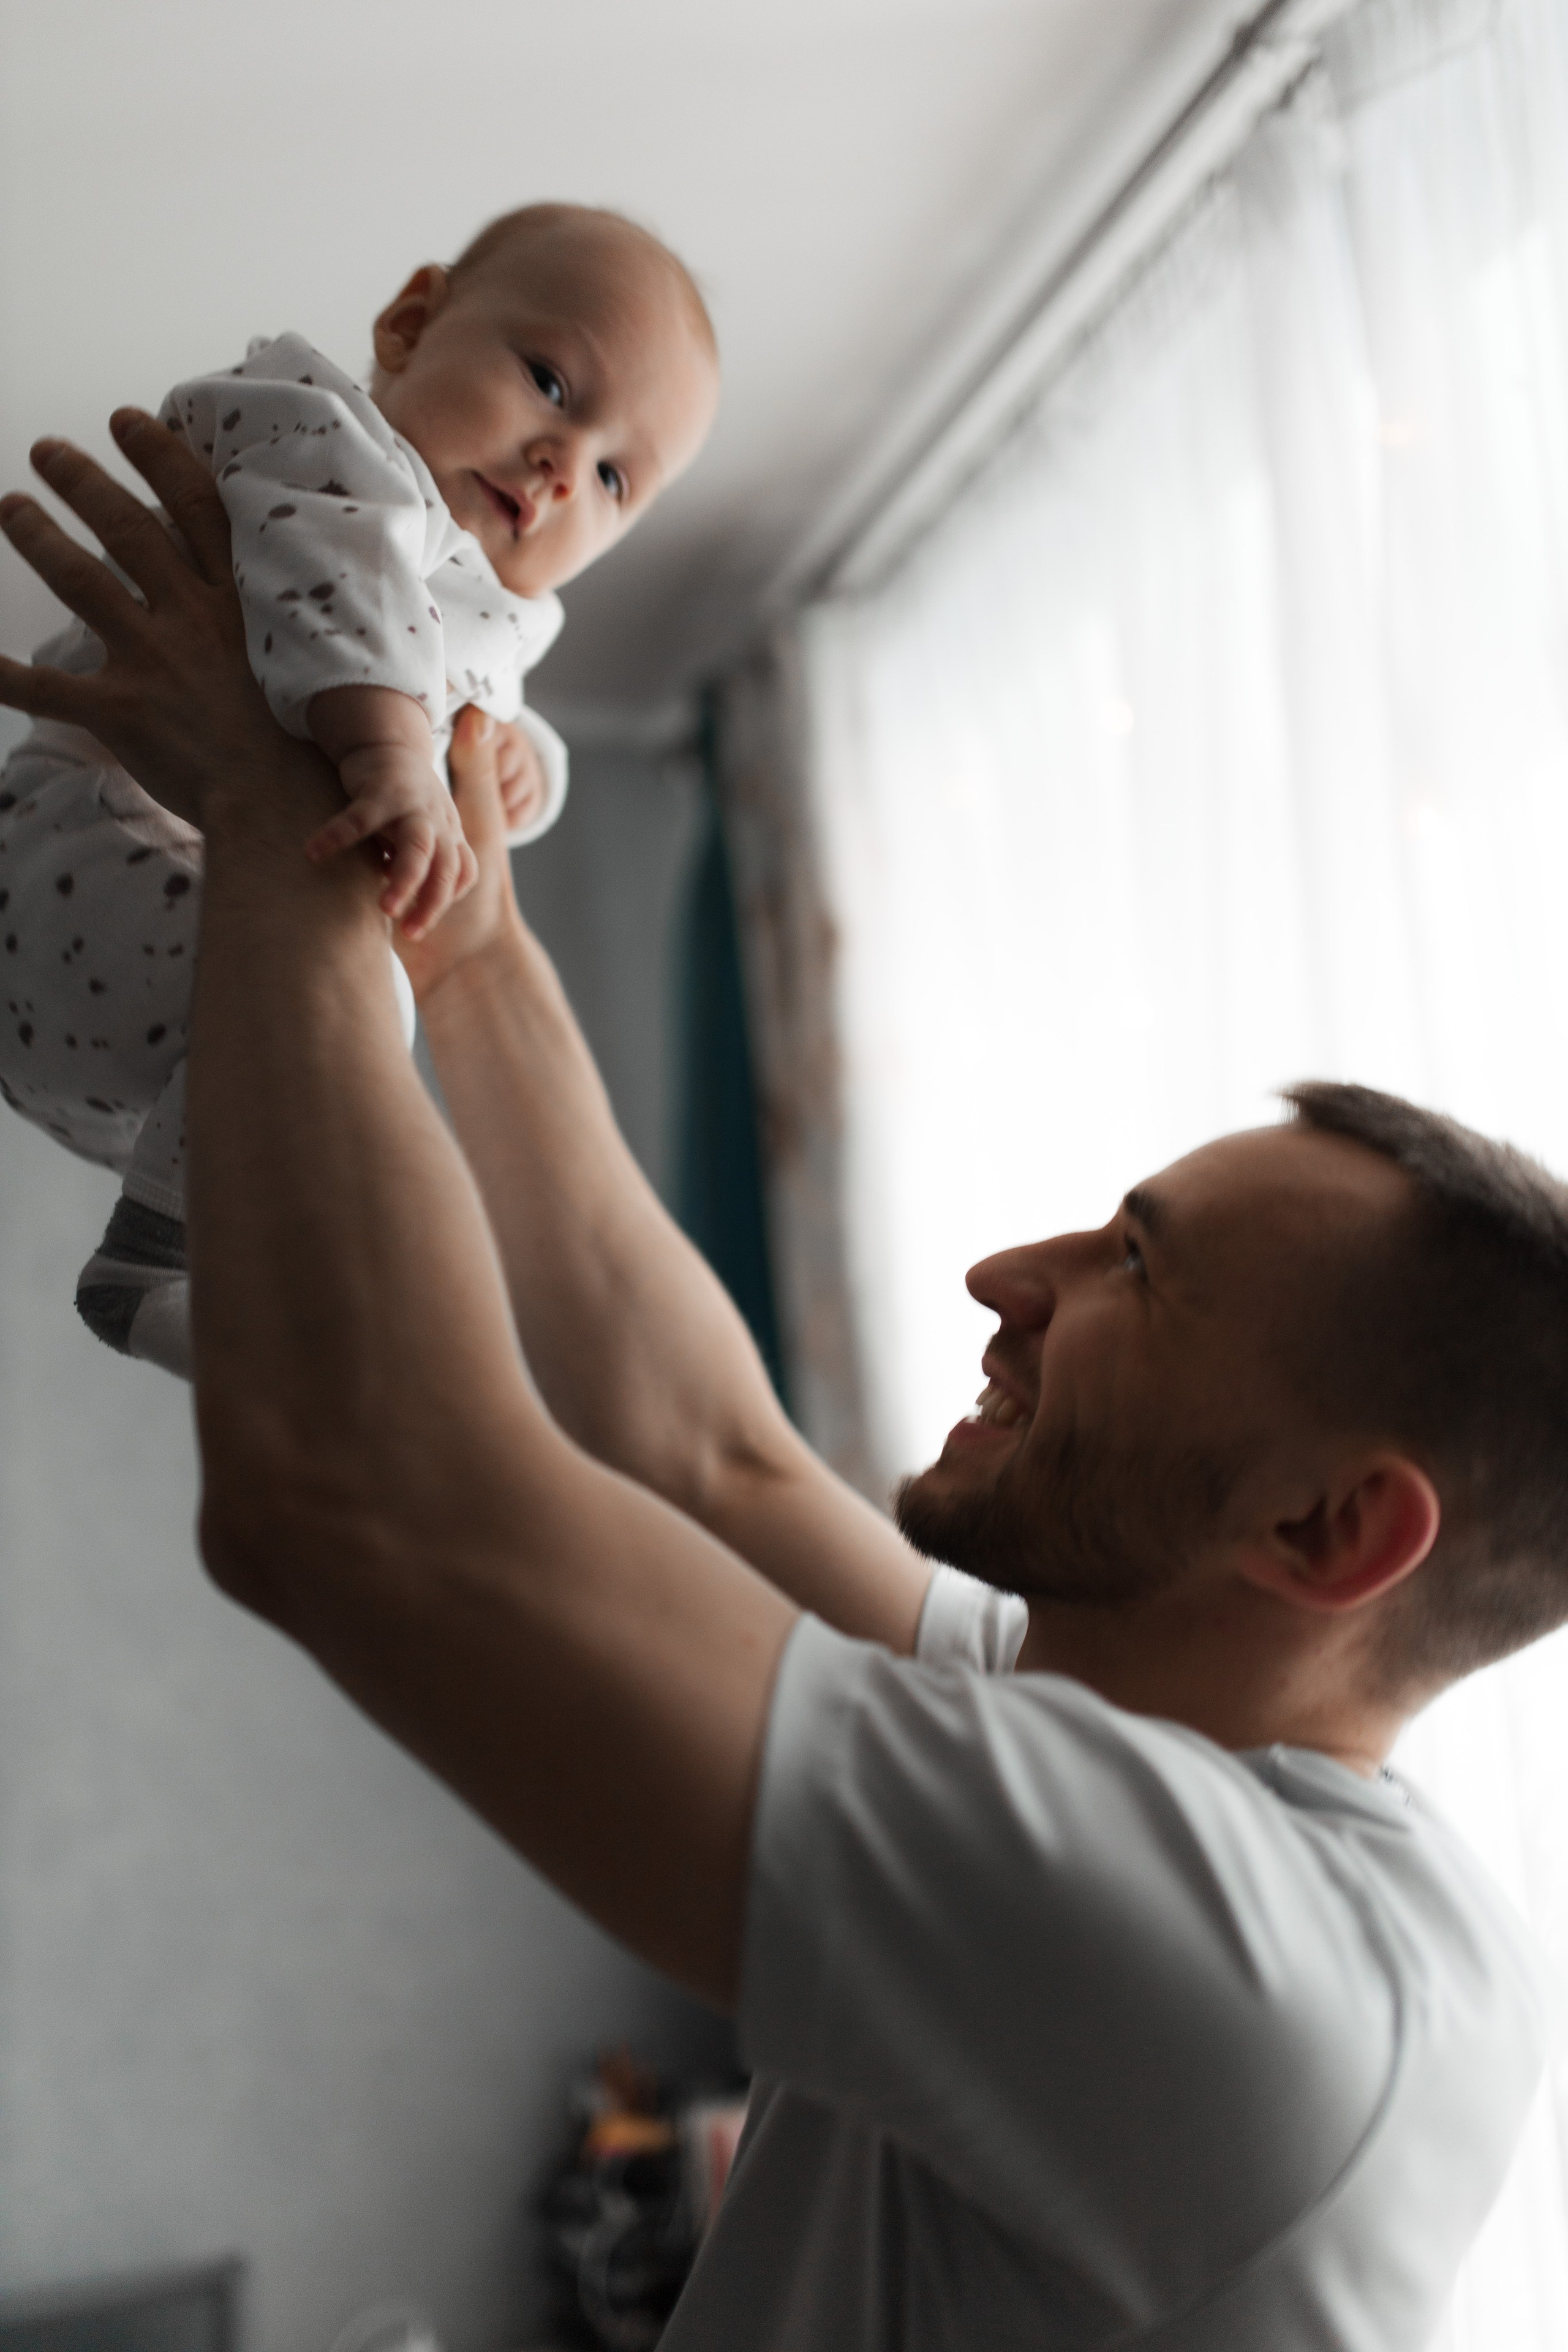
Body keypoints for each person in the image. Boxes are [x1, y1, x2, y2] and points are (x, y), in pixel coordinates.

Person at [0, 420, 1559, 2352]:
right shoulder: (1163, 1739)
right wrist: (469, 945)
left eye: (1135, 1274)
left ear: (1332, 1531)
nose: (1010, 1275)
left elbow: (361, 1502)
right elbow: (708, 1453)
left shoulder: (1247, 1981)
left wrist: (272, 820)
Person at [0, 203, 718, 1375]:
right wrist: (395, 756)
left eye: (614, 478)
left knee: (343, 1040)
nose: (561, 464)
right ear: (411, 322)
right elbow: (340, 592)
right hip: (79, 857)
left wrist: (523, 759)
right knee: (350, 988)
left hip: (139, 1048)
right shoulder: (319, 439)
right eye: (549, 381)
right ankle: (152, 1263)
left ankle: (201, 1233)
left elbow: (444, 688)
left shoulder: (488, 610)